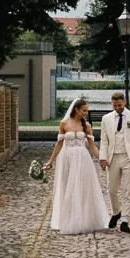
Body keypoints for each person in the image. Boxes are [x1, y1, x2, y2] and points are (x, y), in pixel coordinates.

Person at [41, 97, 112, 234]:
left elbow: (92, 146)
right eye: (84, 110)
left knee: (82, 187)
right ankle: (68, 219)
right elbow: (59, 144)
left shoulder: (87, 126)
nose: (86, 113)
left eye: (87, 111)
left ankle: (84, 219)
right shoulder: (64, 124)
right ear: (76, 109)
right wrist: (51, 161)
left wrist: (103, 158)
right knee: (68, 187)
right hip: (67, 158)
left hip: (83, 158)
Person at [98, 91, 130, 233]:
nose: (117, 107)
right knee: (111, 190)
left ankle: (125, 220)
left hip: (129, 157)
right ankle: (116, 211)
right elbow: (104, 140)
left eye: (119, 105)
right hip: (113, 157)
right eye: (114, 105)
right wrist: (102, 157)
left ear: (124, 102)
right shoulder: (106, 119)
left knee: (127, 190)